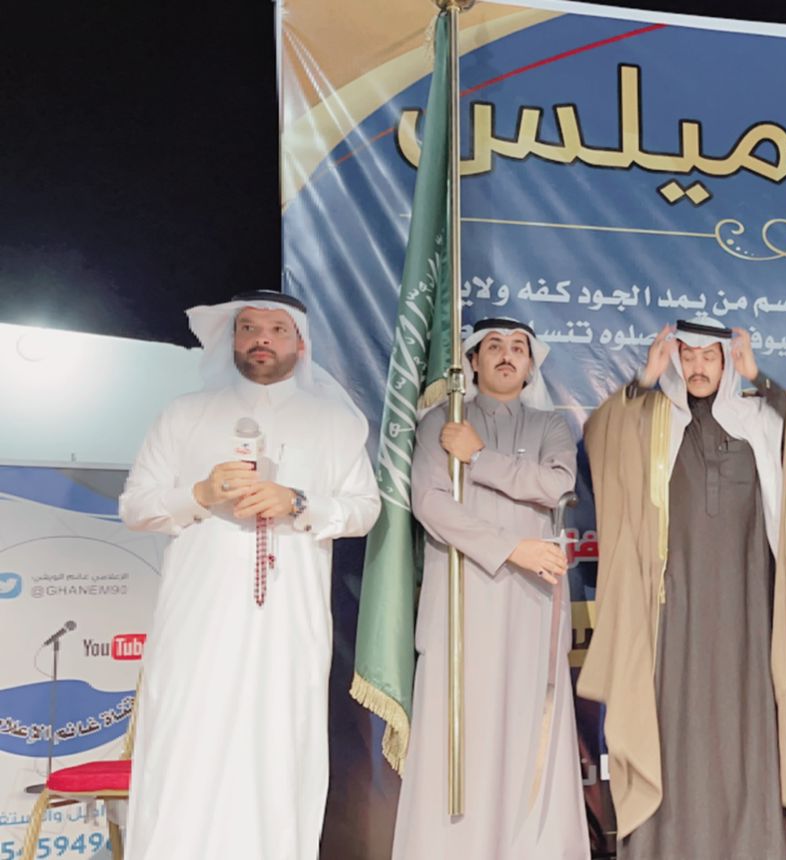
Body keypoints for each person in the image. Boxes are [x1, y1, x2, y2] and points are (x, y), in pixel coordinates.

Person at [118, 290, 379, 859]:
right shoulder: (184, 414)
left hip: (289, 621)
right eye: (250, 328)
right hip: (197, 620)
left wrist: (297, 501)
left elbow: (364, 510)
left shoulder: (335, 423)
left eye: (277, 329)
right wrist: (200, 492)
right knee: (188, 743)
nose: (262, 339)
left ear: (301, 344)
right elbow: (135, 507)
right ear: (231, 340)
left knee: (278, 747)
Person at [577, 316, 786, 860]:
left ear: (726, 362)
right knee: (672, 729)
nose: (698, 367)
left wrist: (759, 378)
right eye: (688, 356)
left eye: (709, 357)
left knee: (749, 732)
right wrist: (644, 380)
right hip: (674, 613)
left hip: (750, 611)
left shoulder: (760, 418)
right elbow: (601, 435)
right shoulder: (651, 421)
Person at [392, 318, 586, 858]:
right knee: (463, 730)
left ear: (530, 365)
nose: (506, 355)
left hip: (532, 601)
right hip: (463, 600)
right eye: (493, 346)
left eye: (518, 348)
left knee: (528, 730)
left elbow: (557, 485)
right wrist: (511, 548)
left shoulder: (550, 425)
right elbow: (431, 504)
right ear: (472, 361)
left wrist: (479, 458)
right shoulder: (441, 422)